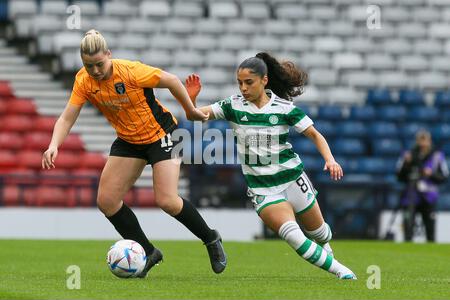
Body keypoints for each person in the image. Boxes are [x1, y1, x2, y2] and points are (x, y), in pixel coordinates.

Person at [41, 30, 227, 277]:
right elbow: (66, 118)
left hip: (163, 135)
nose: (95, 70)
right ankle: (149, 252)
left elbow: (171, 80)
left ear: (109, 55)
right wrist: (54, 145)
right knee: (106, 202)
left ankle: (211, 238)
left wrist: (190, 110)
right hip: (129, 141)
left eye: (99, 64)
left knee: (167, 201)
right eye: (89, 65)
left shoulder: (130, 71)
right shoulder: (83, 80)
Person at [184, 52, 356, 280]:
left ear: (264, 80)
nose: (243, 88)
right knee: (294, 237)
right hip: (262, 188)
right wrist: (190, 100)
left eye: (248, 82)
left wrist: (330, 160)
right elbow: (195, 116)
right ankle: (342, 272)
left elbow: (314, 134)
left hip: (293, 179)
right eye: (239, 83)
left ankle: (326, 248)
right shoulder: (233, 105)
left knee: (320, 232)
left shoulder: (284, 108)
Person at [396, 129, 448, 242]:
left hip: (429, 195)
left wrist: (431, 174)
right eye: (421, 140)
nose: (423, 143)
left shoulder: (437, 156)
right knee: (408, 226)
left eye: (425, 140)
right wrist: (406, 163)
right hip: (411, 194)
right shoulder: (408, 155)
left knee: (430, 227)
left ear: (429, 141)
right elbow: (399, 176)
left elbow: (444, 177)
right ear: (417, 141)